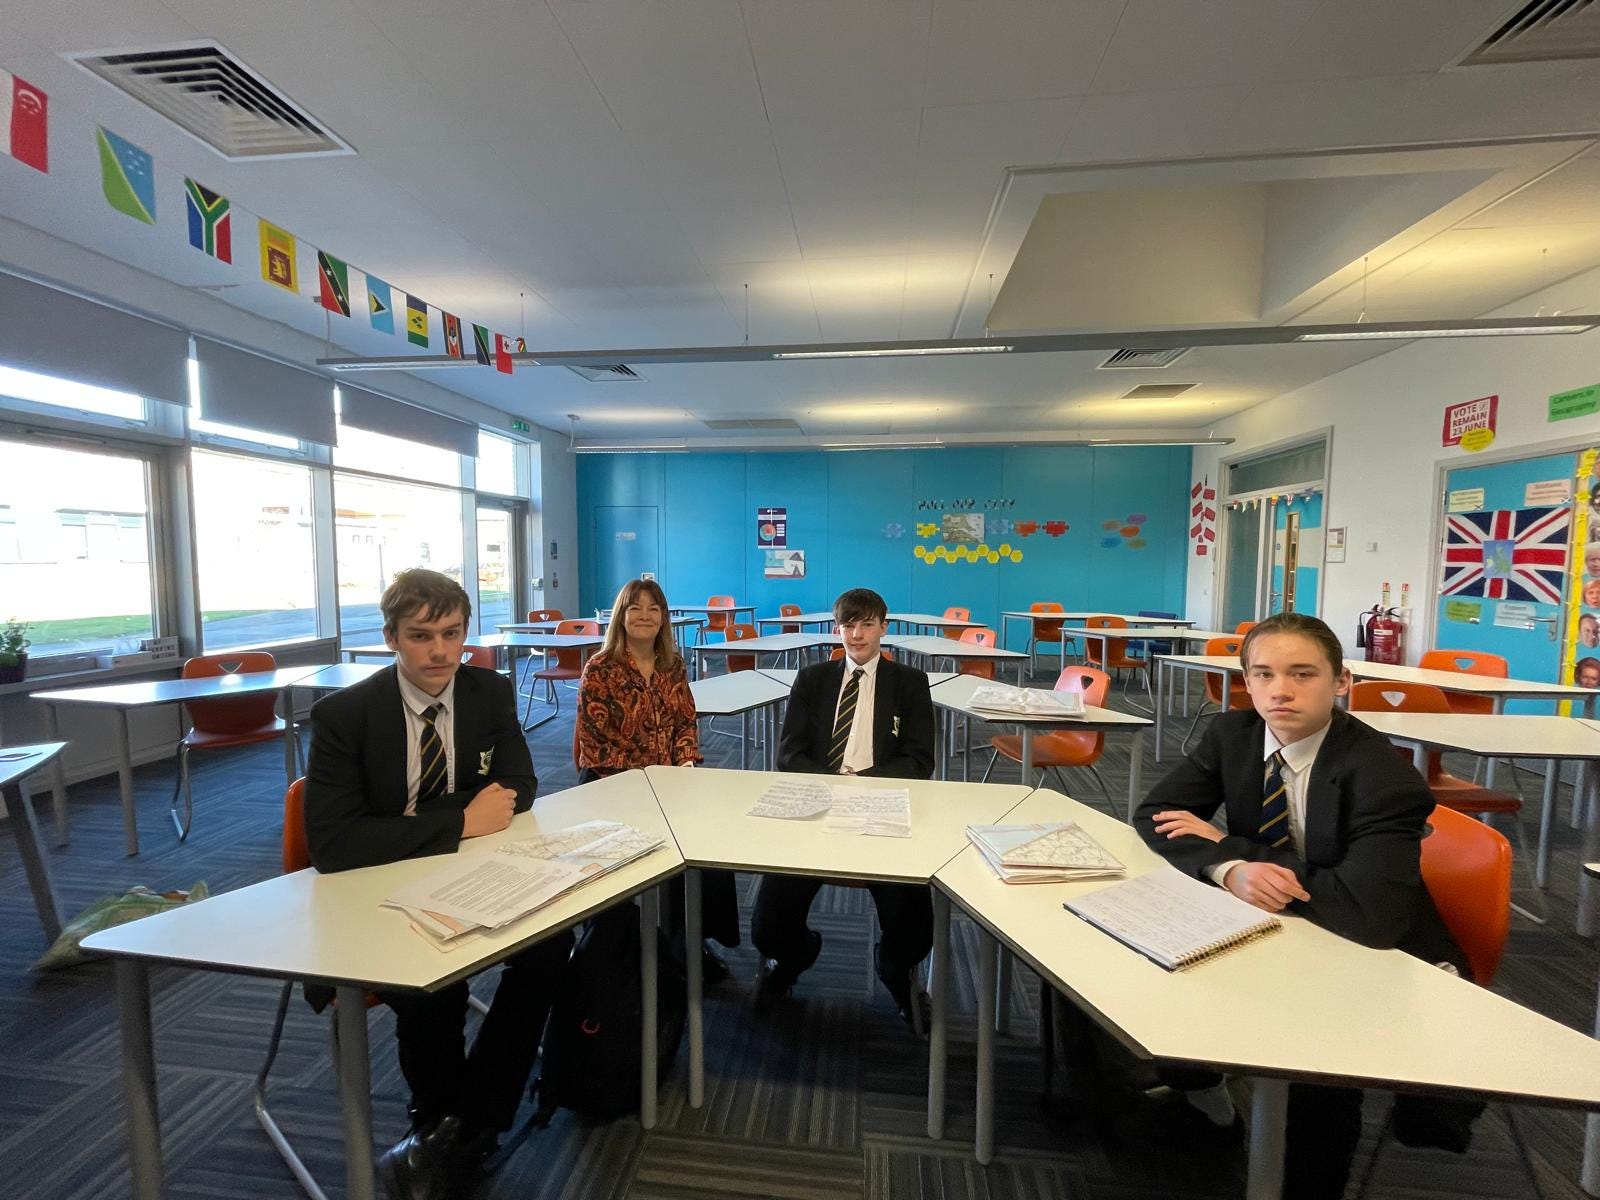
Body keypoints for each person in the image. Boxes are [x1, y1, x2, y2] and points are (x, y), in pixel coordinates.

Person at [1130, 611, 1477, 1199]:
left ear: (1341, 682)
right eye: (1263, 674)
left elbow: (1367, 917)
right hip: (1286, 919)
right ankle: (1202, 1094)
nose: (1280, 691)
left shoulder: (1382, 776)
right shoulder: (1233, 735)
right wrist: (1229, 870)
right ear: (1246, 681)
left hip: (1381, 951)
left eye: (1302, 674)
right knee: (1147, 962)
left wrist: (1231, 848)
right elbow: (1155, 816)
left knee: (1316, 1069)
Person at [305, 569, 570, 1200]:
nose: (440, 652)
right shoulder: (345, 715)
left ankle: (463, 1123)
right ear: (391, 637)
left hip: (470, 874)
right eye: (421, 636)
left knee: (550, 944)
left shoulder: (489, 692)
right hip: (375, 890)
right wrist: (460, 821)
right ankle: (444, 1120)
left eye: (452, 633)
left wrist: (404, 825)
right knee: (433, 982)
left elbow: (520, 785)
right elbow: (335, 845)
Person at [750, 587, 937, 1029]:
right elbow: (789, 754)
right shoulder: (812, 679)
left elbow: (919, 759)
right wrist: (834, 786)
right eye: (848, 625)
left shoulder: (910, 683)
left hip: (881, 808)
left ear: (883, 628)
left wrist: (864, 786)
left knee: (913, 927)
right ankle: (795, 955)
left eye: (867, 624)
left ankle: (893, 969)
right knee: (767, 925)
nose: (857, 635)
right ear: (837, 629)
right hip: (817, 806)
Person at [575, 577, 740, 977]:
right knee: (645, 857)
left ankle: (691, 938)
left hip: (669, 780)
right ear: (621, 616)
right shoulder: (601, 669)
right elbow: (596, 747)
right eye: (635, 608)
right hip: (612, 783)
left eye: (654, 609)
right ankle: (623, 947)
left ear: (664, 617)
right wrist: (650, 780)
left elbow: (685, 722)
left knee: (711, 837)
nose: (645, 616)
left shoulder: (673, 665)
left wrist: (684, 765)